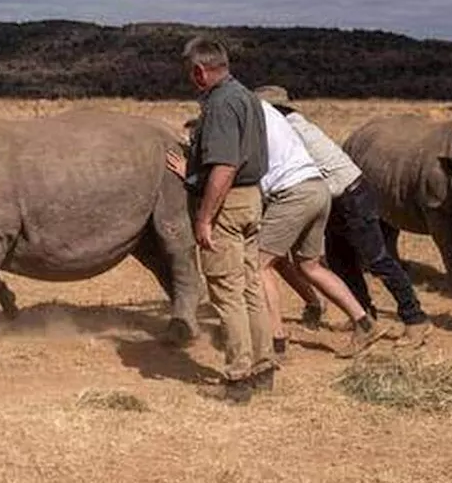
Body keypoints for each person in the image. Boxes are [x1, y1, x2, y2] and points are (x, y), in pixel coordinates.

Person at [253, 87, 431, 347]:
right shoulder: (295, 124)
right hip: (336, 198)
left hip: (350, 195)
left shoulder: (289, 130)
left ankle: (415, 319)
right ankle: (365, 317)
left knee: (378, 260)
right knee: (341, 262)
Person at [166, 37, 274, 405]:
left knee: (227, 294)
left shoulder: (221, 105)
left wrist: (205, 218)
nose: (190, 79)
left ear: (200, 70)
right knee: (249, 288)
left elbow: (225, 166)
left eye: (190, 73)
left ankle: (238, 376)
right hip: (252, 200)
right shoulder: (246, 96)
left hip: (227, 204)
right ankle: (263, 367)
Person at [253, 99, 385, 359]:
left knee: (259, 265)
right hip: (317, 188)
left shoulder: (245, 116)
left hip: (292, 194)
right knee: (309, 265)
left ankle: (275, 342)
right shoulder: (279, 120)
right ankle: (364, 323)